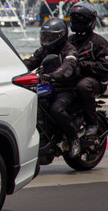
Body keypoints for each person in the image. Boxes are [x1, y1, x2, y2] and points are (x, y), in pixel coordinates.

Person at [24, 18, 81, 156]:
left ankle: (74, 139)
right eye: (44, 35)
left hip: (66, 89)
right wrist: (15, 69)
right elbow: (30, 62)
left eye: (49, 36)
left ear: (59, 36)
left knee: (56, 109)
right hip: (49, 87)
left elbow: (68, 66)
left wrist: (55, 75)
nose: (45, 39)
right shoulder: (43, 51)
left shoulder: (69, 50)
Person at [68, 1, 108, 137]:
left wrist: (83, 65)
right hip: (73, 77)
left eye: (81, 20)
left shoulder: (99, 43)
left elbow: (105, 66)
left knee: (84, 86)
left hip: (96, 80)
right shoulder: (69, 41)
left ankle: (92, 123)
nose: (77, 22)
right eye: (75, 19)